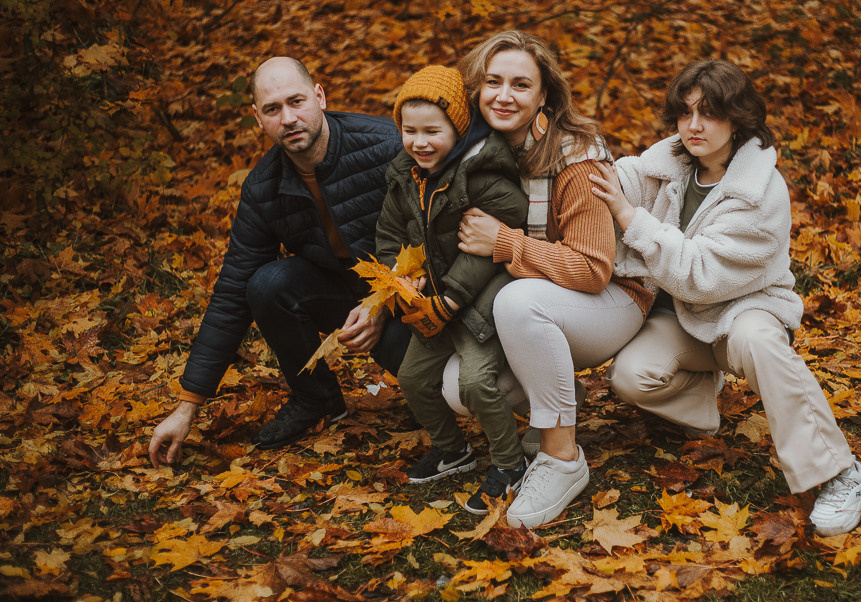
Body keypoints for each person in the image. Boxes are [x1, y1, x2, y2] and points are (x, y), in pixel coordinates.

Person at [588, 59, 861, 536]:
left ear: (737, 118)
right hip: (685, 317)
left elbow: (698, 274)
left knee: (758, 342)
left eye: (710, 113)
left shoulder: (760, 191)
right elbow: (620, 177)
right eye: (686, 112)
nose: (694, 125)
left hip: (746, 310)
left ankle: (838, 472)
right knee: (631, 378)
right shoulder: (671, 164)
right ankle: (703, 402)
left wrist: (629, 217)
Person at [148, 57, 411, 467]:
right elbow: (232, 292)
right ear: (258, 118)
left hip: (409, 294)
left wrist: (384, 303)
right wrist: (187, 407)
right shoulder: (264, 188)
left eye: (296, 101)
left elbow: (435, 238)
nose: (288, 118)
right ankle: (316, 398)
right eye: (273, 109)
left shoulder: (387, 146)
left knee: (438, 391)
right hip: (340, 290)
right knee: (266, 284)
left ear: (320, 96)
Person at [453, 31, 652, 529]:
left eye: (521, 85)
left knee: (518, 302)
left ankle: (562, 458)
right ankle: (564, 397)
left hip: (615, 297)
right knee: (458, 387)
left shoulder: (575, 157)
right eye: (493, 82)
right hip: (547, 298)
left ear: (544, 95)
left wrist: (504, 242)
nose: (504, 95)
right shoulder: (477, 148)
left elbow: (592, 268)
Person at [377, 65, 529, 514]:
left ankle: (510, 462)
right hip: (433, 301)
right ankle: (452, 449)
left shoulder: (480, 175)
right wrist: (401, 271)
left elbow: (495, 239)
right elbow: (389, 233)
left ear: (458, 130)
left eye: (433, 131)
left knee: (476, 382)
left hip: (480, 302)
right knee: (412, 377)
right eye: (409, 131)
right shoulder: (405, 176)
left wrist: (453, 297)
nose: (420, 142)